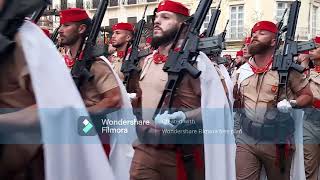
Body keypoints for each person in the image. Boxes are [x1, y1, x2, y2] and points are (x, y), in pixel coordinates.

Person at [129, 1, 235, 179]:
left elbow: (217, 108)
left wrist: (184, 116)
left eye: (165, 17)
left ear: (183, 26)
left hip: (181, 152)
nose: (157, 21)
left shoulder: (197, 62)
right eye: (156, 17)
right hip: (145, 146)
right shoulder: (147, 60)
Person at [58, 8, 136, 179]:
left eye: (66, 25)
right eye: (61, 25)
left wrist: (81, 113)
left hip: (90, 126)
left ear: (81, 29)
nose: (60, 30)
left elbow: (114, 100)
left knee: (93, 170)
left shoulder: (95, 64)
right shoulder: (63, 60)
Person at [233, 20, 313, 180]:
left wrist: (292, 104)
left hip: (277, 140)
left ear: (273, 41)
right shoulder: (242, 71)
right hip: (247, 138)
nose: (255, 36)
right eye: (254, 34)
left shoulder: (286, 68)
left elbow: (308, 96)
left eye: (262, 33)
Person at [303, 36, 320, 180]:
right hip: (309, 120)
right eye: (311, 47)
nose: (312, 50)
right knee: (309, 165)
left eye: (316, 47)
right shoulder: (305, 72)